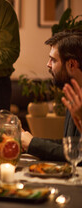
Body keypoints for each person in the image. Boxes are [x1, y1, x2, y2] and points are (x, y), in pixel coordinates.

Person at [21, 31, 82, 161]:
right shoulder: (74, 94)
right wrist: (29, 140)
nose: (48, 64)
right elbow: (70, 144)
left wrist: (32, 144)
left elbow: (77, 155)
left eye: (53, 60)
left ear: (71, 64)